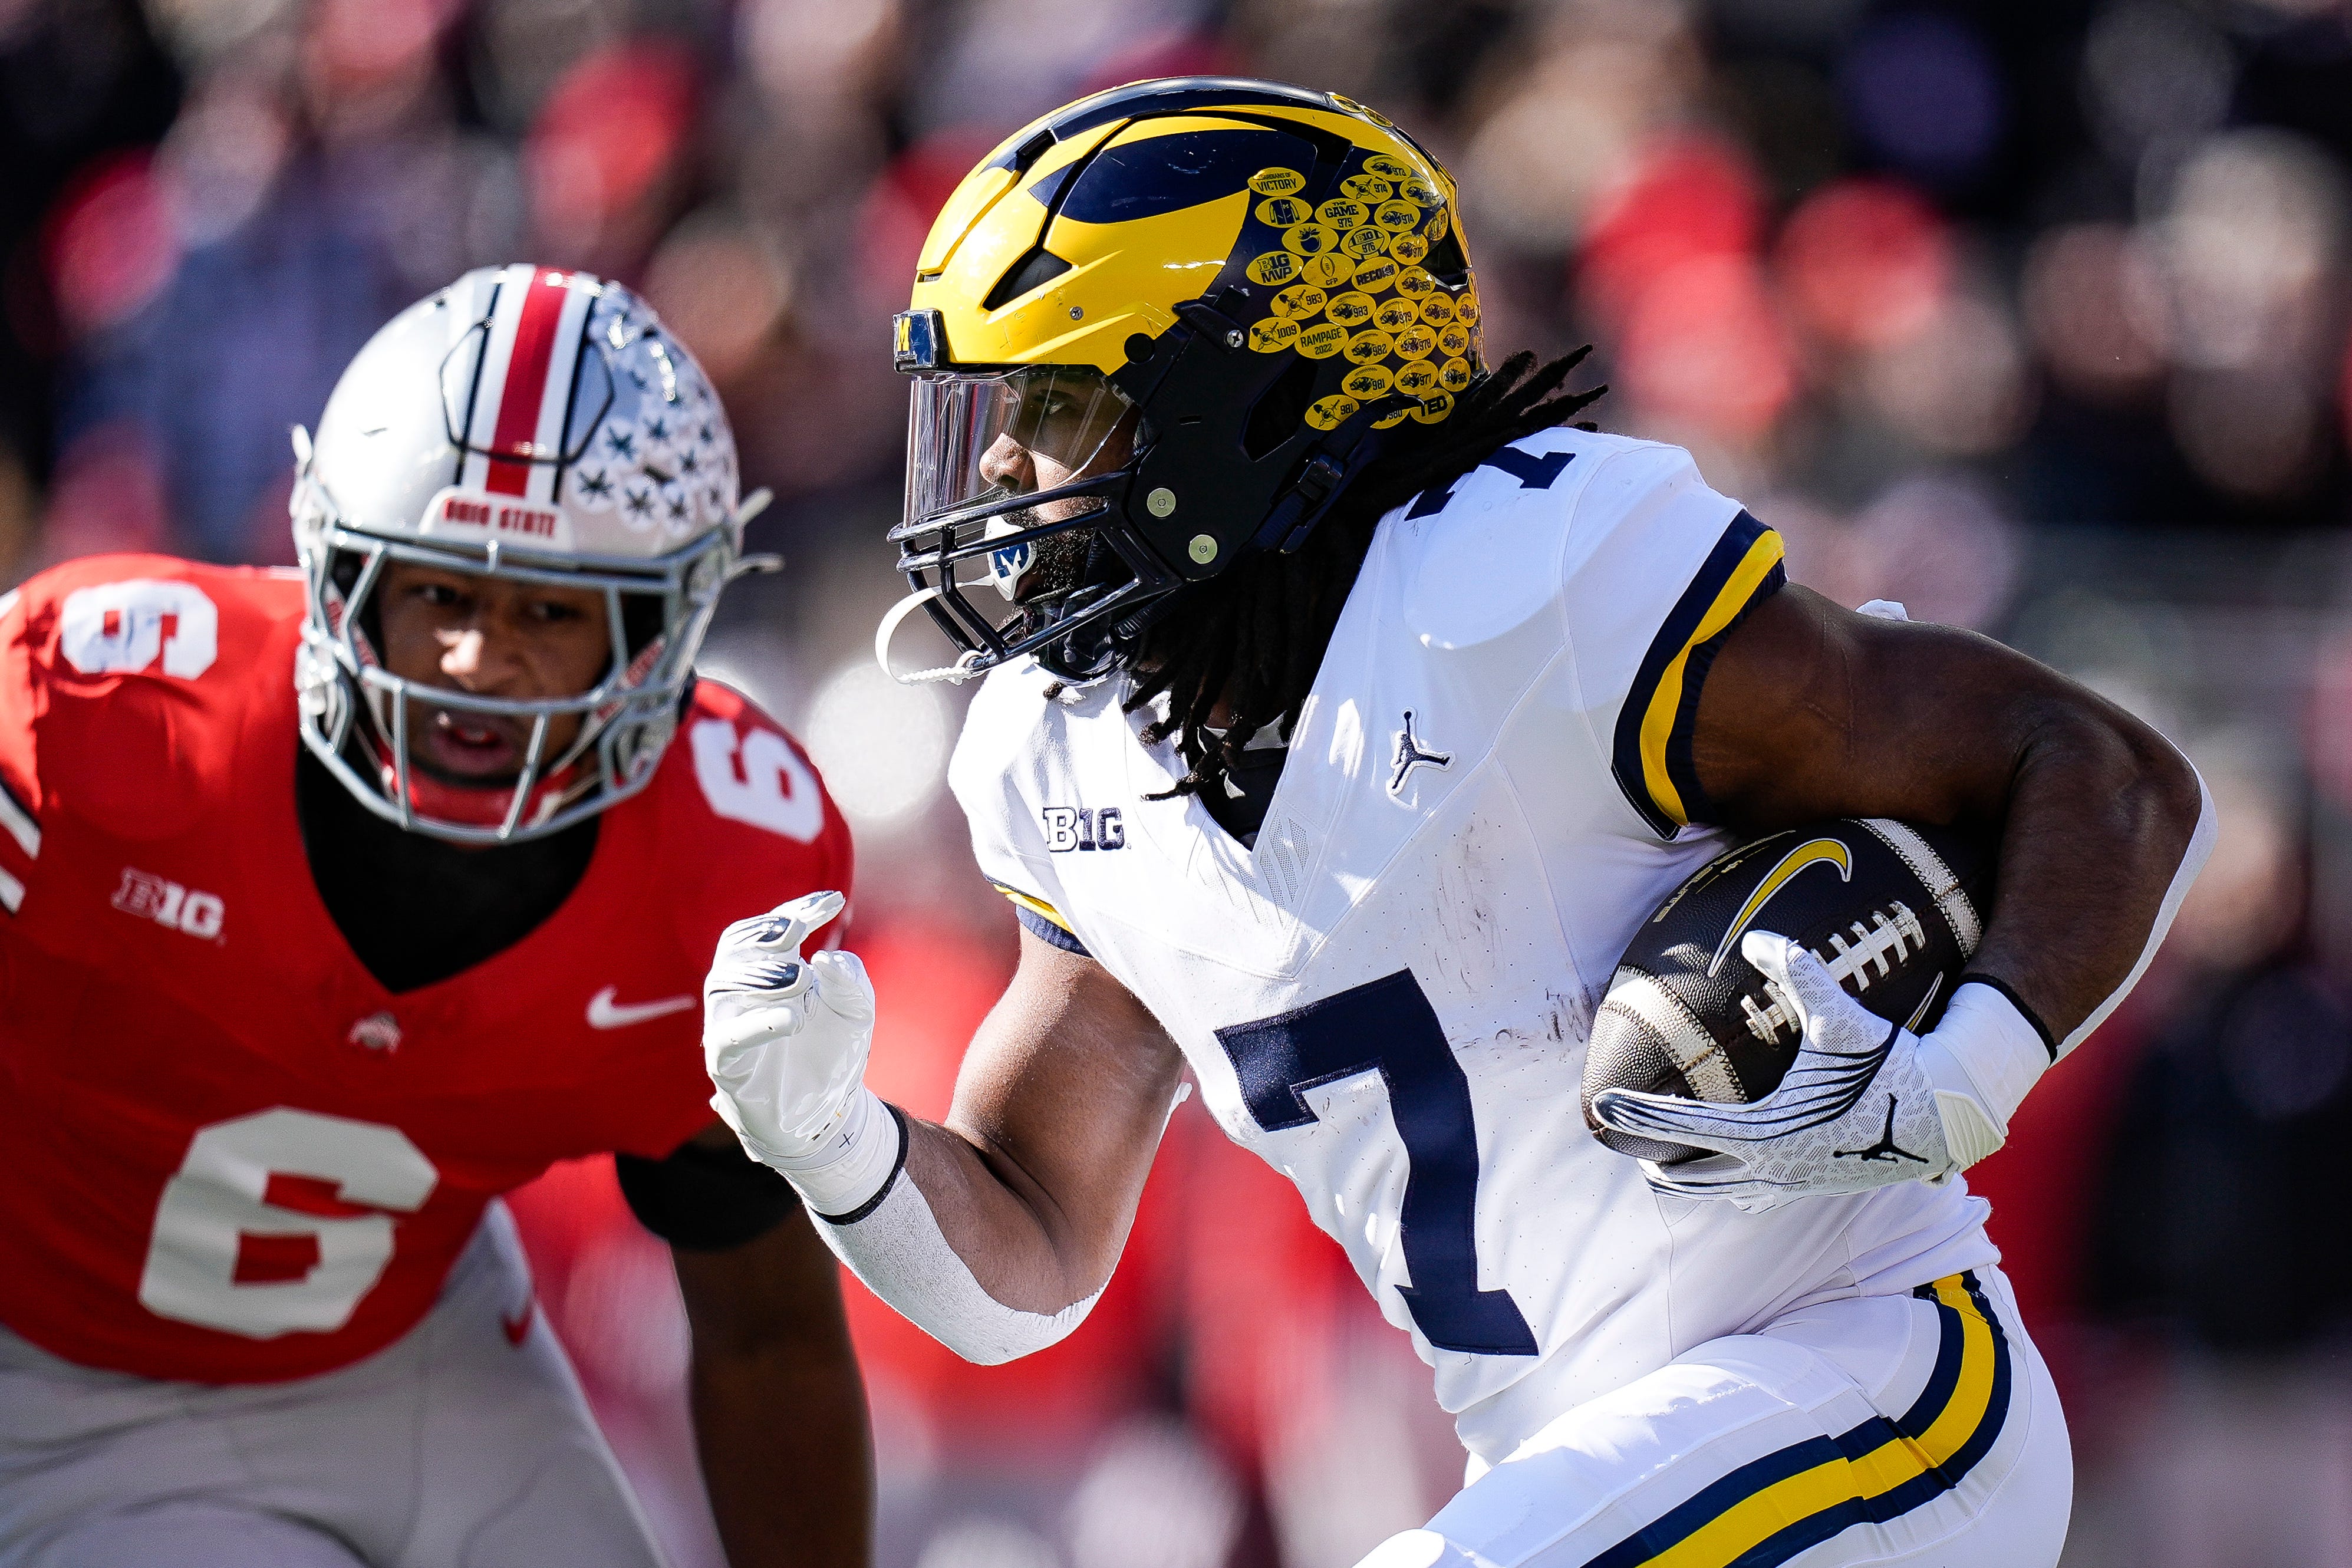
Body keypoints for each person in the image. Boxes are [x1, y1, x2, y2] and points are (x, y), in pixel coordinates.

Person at [708, 80, 2212, 1568]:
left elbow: (2094, 768)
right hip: (1578, 1469)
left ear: (1242, 400)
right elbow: (1023, 1263)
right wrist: (833, 1139)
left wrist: (1971, 1071)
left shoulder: (1531, 587)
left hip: (1870, 1389)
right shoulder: (1067, 762)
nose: (994, 465)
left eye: (1051, 399)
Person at [0, 265, 870, 1567]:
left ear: (656, 635)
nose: (478, 661)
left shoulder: (727, 865)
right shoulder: (94, 716)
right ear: (343, 577)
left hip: (418, 1349)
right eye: (443, 594)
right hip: (62, 1390)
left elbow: (770, 1330)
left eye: (547, 611)